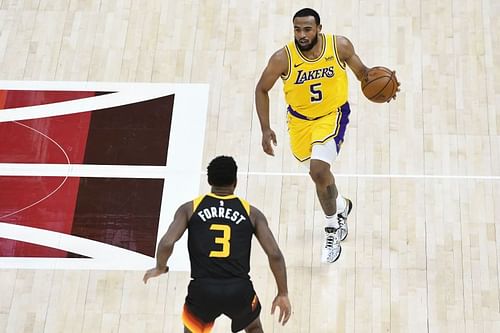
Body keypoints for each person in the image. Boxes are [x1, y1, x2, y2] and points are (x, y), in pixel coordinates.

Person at [255, 8, 399, 263]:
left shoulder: (339, 46)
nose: (302, 34)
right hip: (299, 122)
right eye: (297, 29)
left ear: (319, 28)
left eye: (307, 29)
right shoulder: (282, 58)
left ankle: (332, 228)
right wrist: (265, 128)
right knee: (320, 176)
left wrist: (385, 86)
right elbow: (262, 89)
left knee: (318, 171)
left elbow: (364, 74)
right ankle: (341, 206)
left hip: (333, 116)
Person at [143, 156, 292, 333]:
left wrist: (161, 266)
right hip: (239, 289)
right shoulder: (252, 213)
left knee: (193, 330)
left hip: (202, 290)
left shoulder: (189, 209)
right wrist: (283, 293)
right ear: (235, 182)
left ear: (209, 180)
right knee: (253, 327)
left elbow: (167, 242)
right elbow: (274, 254)